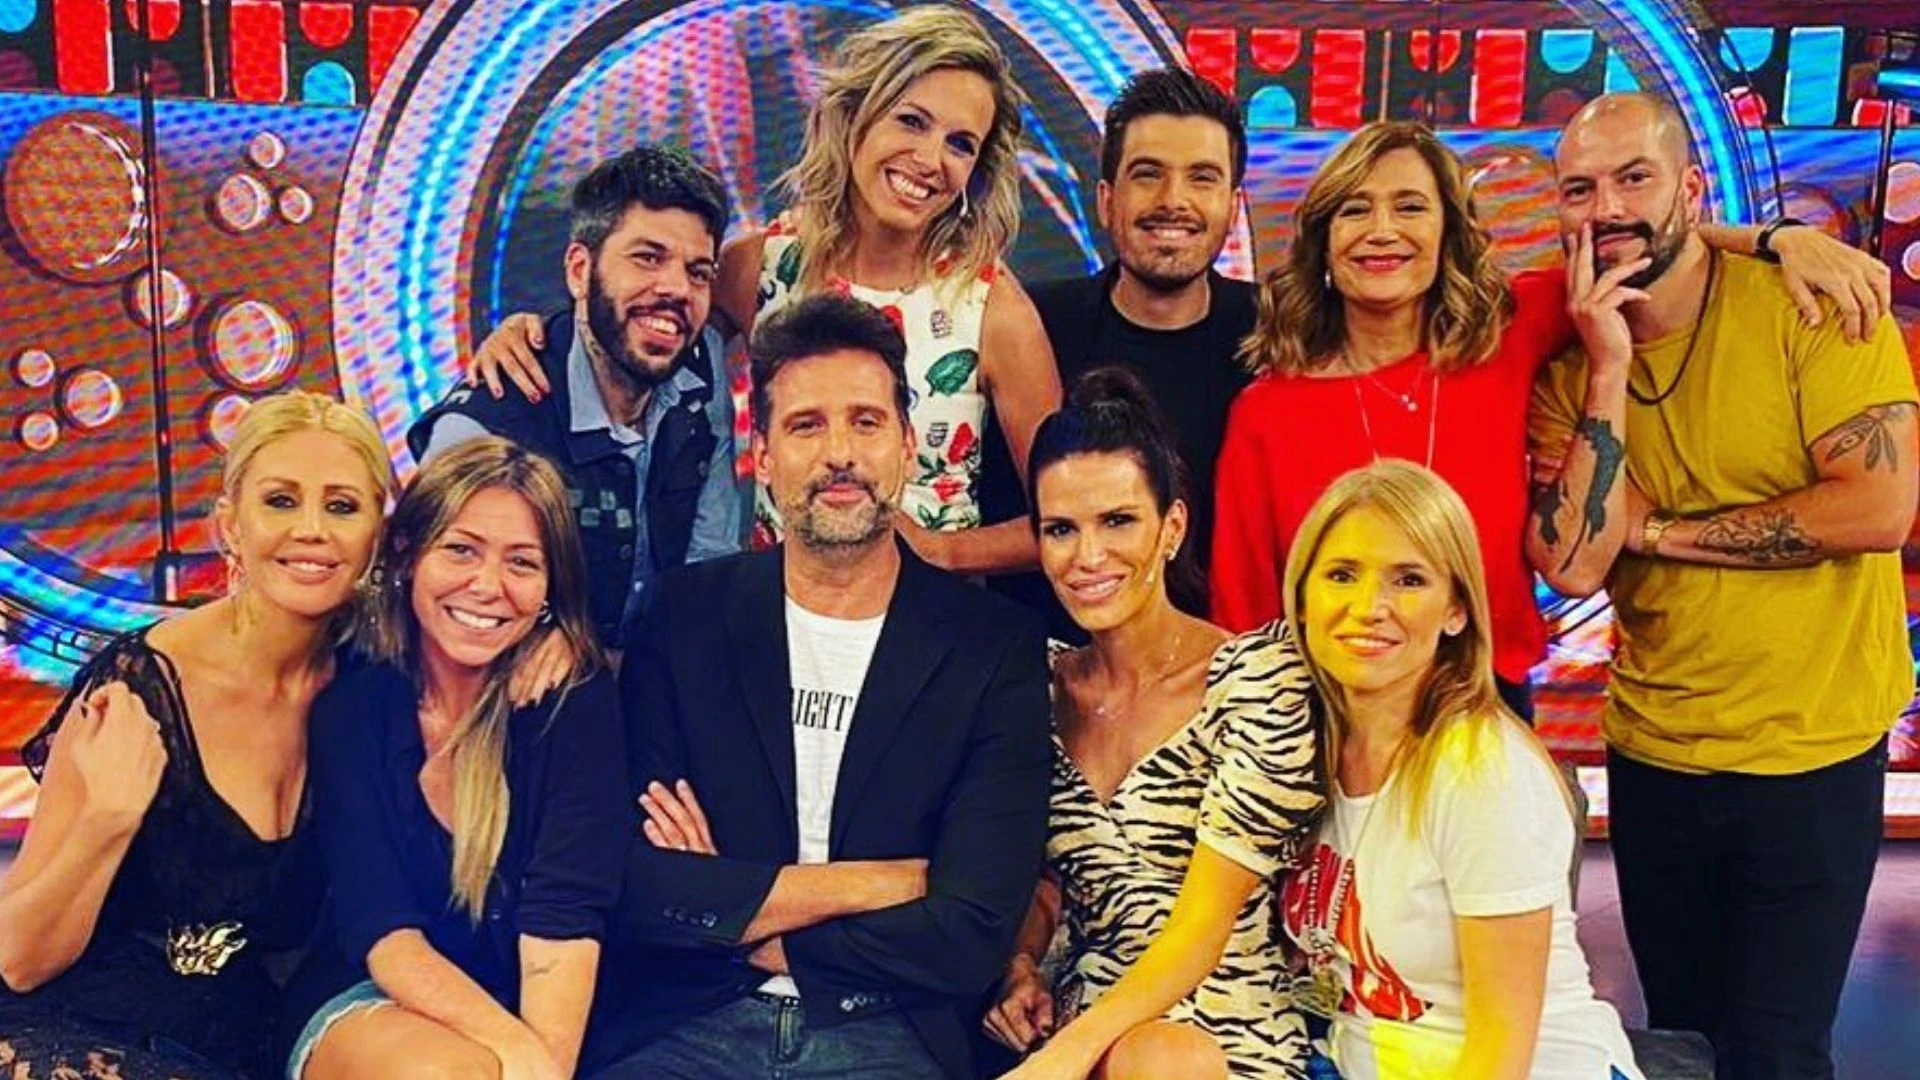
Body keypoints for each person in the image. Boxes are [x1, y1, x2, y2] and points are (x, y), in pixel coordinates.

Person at [1211, 119, 1893, 721]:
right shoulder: (1267, 413)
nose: (1382, 230)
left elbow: (1641, 247)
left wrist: (1777, 238)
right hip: (1327, 722)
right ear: (1324, 242)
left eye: (1410, 206)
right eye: (1354, 210)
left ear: (1449, 234)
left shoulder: (1508, 334)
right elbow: (1243, 616)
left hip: (1487, 706)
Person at [1527, 92, 1917, 1080]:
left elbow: (1876, 509)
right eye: (1580, 188)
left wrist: (1658, 530)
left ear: (1693, 188)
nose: (1607, 208)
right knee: (1683, 1045)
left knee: (1778, 1054)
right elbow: (1574, 560)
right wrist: (1608, 367)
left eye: (1634, 178)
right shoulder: (1566, 356)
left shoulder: (1815, 302)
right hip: (1655, 755)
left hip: (1813, 754)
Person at [583, 293, 1051, 1079]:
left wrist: (737, 913)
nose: (840, 453)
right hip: (685, 1025)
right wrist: (885, 883)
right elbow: (639, 887)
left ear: (908, 447)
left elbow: (971, 928)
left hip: (885, 1029)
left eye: (866, 423)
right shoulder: (685, 616)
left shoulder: (993, 649)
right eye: (806, 426)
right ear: (763, 456)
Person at [468, 6, 1060, 578]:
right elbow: (639, 337)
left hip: (929, 624)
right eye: (911, 121)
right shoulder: (760, 265)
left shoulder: (992, 309)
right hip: (773, 614)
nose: (931, 159)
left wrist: (943, 553)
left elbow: (1073, 511)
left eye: (961, 144)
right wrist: (542, 334)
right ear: (854, 116)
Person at [0, 392, 392, 1079]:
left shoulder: (375, 681)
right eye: (280, 501)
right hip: (82, 1029)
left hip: (241, 1043)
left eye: (341, 506)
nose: (311, 530)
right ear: (229, 525)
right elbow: (19, 958)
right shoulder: (138, 687)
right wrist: (106, 819)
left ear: (376, 535)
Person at [983, 369, 1321, 1079]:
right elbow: (1046, 880)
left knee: (1167, 1059)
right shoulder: (1034, 686)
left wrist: (1058, 1062)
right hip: (1089, 1033)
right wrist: (1020, 966)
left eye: (1117, 521)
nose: (1088, 557)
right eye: (1061, 530)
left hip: (1227, 1040)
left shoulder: (1257, 678)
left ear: (1172, 527)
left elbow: (1203, 928)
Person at [1279, 460, 1641, 1079]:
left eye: (1409, 580)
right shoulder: (1295, 749)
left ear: (1456, 611)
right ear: (1303, 599)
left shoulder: (1483, 771)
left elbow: (1500, 1052)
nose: (1369, 607)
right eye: (1342, 575)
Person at [285, 437, 629, 1080]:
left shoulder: (571, 701)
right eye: (461, 550)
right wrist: (521, 1057)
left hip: (528, 1003)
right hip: (378, 994)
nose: (488, 586)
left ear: (551, 587)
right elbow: (383, 929)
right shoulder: (353, 706)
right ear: (407, 554)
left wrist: (541, 1062)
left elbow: (564, 916)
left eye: (522, 563)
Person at [411, 144, 742, 647]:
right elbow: (440, 616)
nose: (677, 288)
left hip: (656, 673)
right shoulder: (482, 425)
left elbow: (708, 572)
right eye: (648, 258)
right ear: (579, 271)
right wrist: (552, 646)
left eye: (698, 272)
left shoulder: (702, 365)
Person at [980, 66, 1256, 640]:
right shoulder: (1024, 325)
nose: (1173, 200)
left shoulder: (1277, 336)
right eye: (1147, 174)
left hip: (1221, 669)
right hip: (1032, 666)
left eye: (1202, 178)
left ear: (1233, 208)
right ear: (1106, 200)